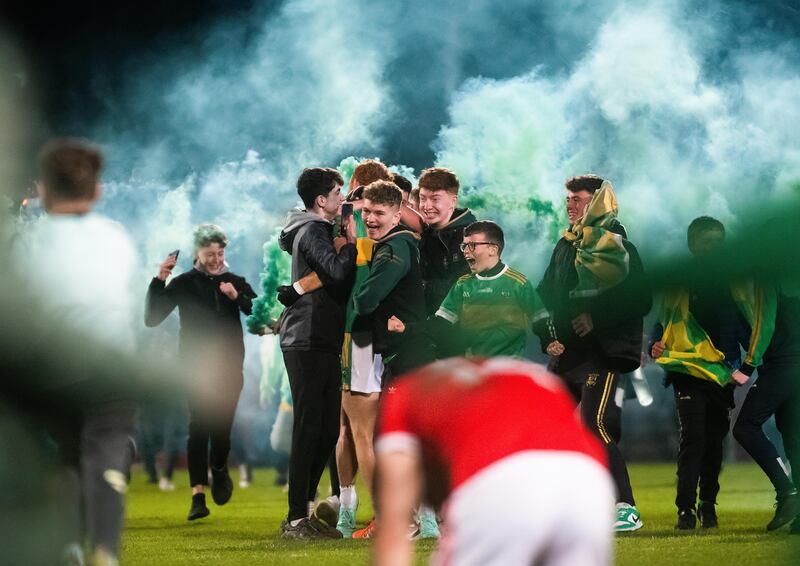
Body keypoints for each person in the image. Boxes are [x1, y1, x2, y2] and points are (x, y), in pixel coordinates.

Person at [13, 138, 139, 565]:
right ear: (97, 190)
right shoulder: (117, 238)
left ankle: (68, 545)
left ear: (43, 189)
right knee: (107, 459)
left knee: (62, 460)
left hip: (55, 369)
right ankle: (105, 549)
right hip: (112, 368)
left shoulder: (29, 243)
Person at [374, 357, 614, 566]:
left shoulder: (407, 392)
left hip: (500, 481)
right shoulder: (527, 372)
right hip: (587, 480)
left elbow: (394, 528)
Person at [536, 174, 651, 532]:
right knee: (546, 428)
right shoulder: (566, 245)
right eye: (567, 199)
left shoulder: (619, 247)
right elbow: (544, 295)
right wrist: (546, 336)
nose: (569, 205)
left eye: (577, 199)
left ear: (598, 202)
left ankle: (625, 507)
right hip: (567, 354)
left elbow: (640, 299)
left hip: (601, 353)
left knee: (594, 424)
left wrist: (595, 316)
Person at [145, 223, 257, 521]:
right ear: (197, 252)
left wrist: (237, 298)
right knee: (198, 427)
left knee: (221, 427)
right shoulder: (183, 283)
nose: (217, 259)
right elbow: (152, 318)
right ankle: (198, 495)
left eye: (220, 253)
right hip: (195, 366)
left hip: (230, 366)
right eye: (210, 254)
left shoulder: (235, 281)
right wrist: (160, 278)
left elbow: (259, 316)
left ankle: (219, 467)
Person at [649, 216, 755, 529]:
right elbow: (662, 322)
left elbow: (748, 329)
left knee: (713, 440)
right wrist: (655, 343)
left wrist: (754, 361)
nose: (713, 249)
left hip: (722, 373)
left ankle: (708, 503)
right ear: (692, 245)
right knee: (693, 438)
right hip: (686, 369)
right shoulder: (679, 283)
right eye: (706, 243)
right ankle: (685, 509)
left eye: (718, 243)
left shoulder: (734, 285)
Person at [278, 167, 357, 539]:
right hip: (306, 337)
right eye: (337, 192)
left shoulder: (315, 229)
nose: (342, 198)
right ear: (321, 200)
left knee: (325, 430)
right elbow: (338, 273)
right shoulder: (312, 229)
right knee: (310, 427)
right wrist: (351, 242)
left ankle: (304, 513)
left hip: (321, 337)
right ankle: (296, 519)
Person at [391, 220, 559, 358]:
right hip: (472, 368)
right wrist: (407, 328)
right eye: (464, 246)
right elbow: (440, 323)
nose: (465, 252)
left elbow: (540, 318)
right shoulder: (462, 284)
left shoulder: (518, 283)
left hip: (508, 368)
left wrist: (550, 341)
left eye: (472, 245)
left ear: (493, 249)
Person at [731, 276, 800, 531]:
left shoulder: (766, 277)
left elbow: (765, 322)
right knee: (793, 435)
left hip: (782, 363)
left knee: (746, 427)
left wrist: (748, 365)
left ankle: (786, 492)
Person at [417, 167, 477, 321]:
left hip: (460, 333)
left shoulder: (472, 237)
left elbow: (464, 290)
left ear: (453, 201)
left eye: (435, 199)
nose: (427, 206)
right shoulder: (426, 233)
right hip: (427, 328)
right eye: (422, 198)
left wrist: (416, 286)